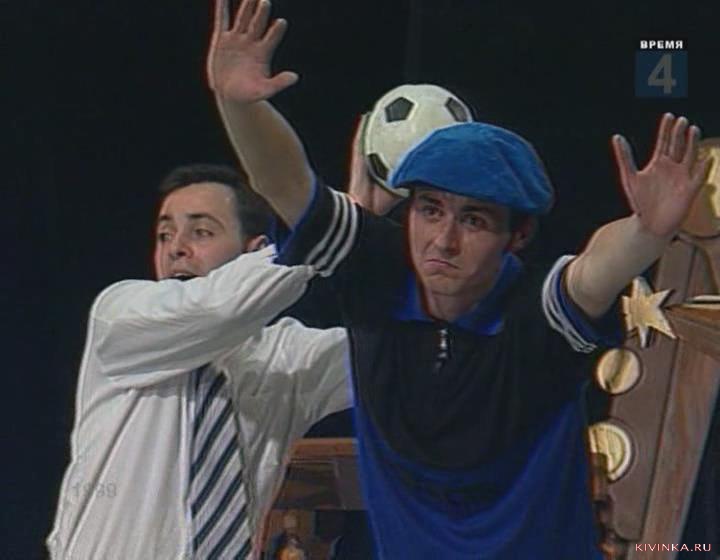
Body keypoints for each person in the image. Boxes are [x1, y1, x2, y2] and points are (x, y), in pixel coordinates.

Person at [206, 1, 712, 558]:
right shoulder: (375, 267)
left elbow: (594, 271)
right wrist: (240, 107)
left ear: (517, 236)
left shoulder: (533, 313)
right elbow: (284, 183)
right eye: (430, 210)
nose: (443, 241)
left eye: (473, 220)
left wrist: (645, 232)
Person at [47, 163, 351, 559]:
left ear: (254, 252)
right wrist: (335, 228)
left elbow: (391, 361)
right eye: (165, 234)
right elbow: (219, 308)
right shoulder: (122, 318)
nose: (175, 248)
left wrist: (375, 235)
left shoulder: (284, 359)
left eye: (201, 232)